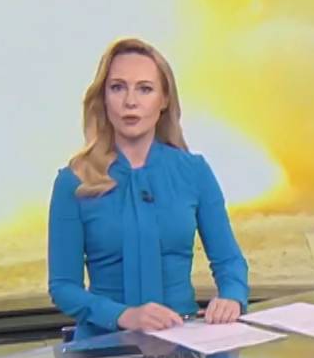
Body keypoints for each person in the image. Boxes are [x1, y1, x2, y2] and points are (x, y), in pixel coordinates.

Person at [47, 37, 249, 339]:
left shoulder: (194, 172)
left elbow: (229, 261)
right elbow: (63, 286)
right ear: (103, 98)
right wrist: (123, 316)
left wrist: (232, 296)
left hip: (182, 341)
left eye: (145, 89)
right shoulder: (74, 181)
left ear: (164, 99)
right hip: (104, 346)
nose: (131, 101)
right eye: (118, 87)